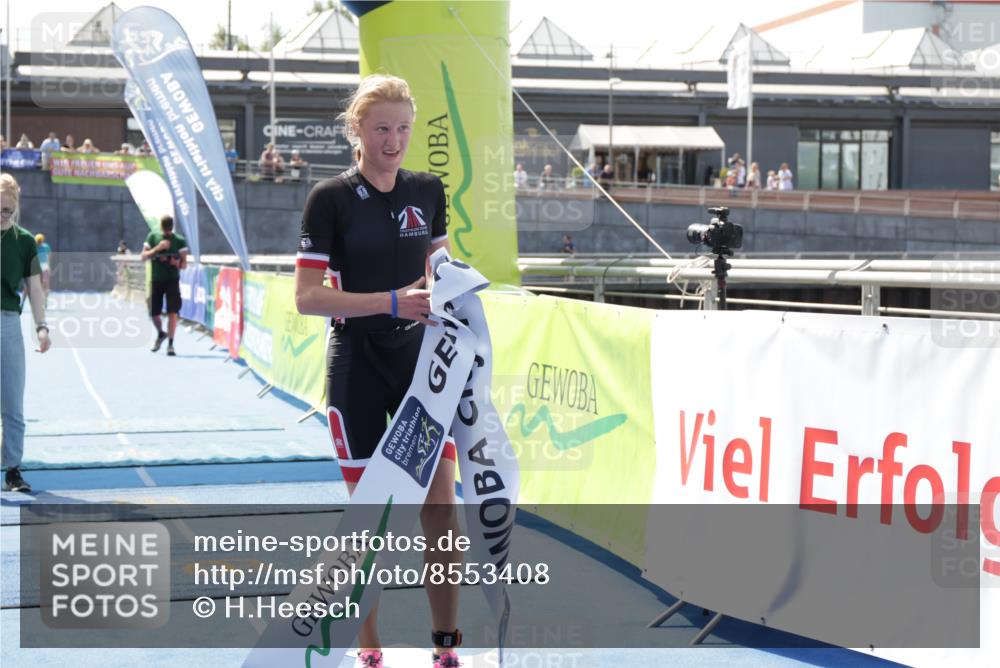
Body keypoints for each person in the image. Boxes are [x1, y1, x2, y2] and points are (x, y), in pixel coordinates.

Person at [294, 74, 461, 668]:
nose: (394, 140)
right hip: (356, 367)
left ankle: (446, 647)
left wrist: (458, 290)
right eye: (382, 128)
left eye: (403, 129)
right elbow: (307, 298)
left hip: (420, 365)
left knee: (441, 511)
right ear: (357, 130)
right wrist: (391, 301)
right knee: (369, 522)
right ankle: (369, 649)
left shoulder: (428, 189)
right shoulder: (329, 198)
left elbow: (441, 268)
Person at [2, 174, 51, 493]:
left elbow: (34, 288)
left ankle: (12, 470)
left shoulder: (24, 241)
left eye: (7, 210)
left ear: (16, 207)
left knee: (13, 403)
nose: (2, 215)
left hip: (7, 325)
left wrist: (42, 327)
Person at [141, 215, 188, 356]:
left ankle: (171, 344)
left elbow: (184, 265)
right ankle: (161, 333)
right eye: (165, 229)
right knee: (154, 312)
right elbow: (143, 256)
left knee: (172, 311)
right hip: (156, 279)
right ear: (161, 226)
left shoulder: (179, 240)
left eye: (169, 229)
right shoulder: (153, 237)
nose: (167, 232)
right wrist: (158, 248)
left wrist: (175, 263)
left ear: (172, 227)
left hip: (172, 280)